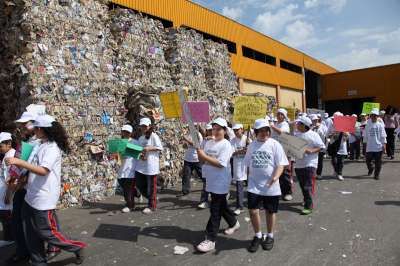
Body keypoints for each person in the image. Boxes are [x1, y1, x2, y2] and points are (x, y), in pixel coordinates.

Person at [5, 115, 86, 266]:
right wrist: (19, 177)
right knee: (30, 233)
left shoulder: (52, 148)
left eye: (35, 128)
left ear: (42, 129)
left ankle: (76, 247)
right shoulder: (40, 144)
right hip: (31, 195)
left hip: (44, 198)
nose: (33, 130)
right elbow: (30, 165)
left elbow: (43, 170)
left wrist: (18, 161)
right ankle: (38, 261)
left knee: (46, 232)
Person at [244, 119, 288, 252]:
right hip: (254, 185)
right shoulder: (251, 146)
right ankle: (258, 235)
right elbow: (247, 164)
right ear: (256, 132)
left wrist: (275, 177)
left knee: (270, 211)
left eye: (266, 130)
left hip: (271, 186)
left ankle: (270, 235)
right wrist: (248, 179)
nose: (264, 133)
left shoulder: (275, 144)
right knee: (253, 211)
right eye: (261, 131)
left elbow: (281, 164)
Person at [196, 118, 239, 253]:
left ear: (225, 131)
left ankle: (210, 239)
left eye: (219, 129)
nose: (215, 131)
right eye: (213, 128)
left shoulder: (226, 145)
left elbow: (221, 163)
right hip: (210, 179)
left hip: (221, 181)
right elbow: (203, 160)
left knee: (215, 209)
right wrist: (199, 153)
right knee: (221, 206)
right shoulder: (208, 143)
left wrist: (204, 155)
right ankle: (233, 222)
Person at [294, 116, 325, 215]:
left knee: (307, 185)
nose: (297, 125)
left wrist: (311, 151)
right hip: (298, 164)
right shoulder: (296, 134)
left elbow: (321, 147)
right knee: (303, 185)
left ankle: (309, 206)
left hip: (310, 163)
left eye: (299, 123)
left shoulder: (313, 135)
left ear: (304, 125)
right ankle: (306, 199)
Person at [135, 118, 163, 214]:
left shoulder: (154, 136)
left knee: (151, 186)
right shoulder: (141, 138)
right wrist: (141, 155)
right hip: (141, 165)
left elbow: (159, 148)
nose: (143, 128)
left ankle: (152, 205)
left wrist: (149, 148)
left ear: (149, 126)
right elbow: (139, 150)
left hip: (151, 166)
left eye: (145, 126)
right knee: (139, 183)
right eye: (142, 126)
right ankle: (152, 198)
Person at [270, 108, 293, 201]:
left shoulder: (285, 124)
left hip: (284, 151)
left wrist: (272, 126)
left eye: (281, 114)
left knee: (285, 173)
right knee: (276, 172)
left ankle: (287, 192)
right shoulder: (276, 124)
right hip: (275, 151)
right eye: (278, 114)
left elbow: (282, 133)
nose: (279, 116)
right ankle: (278, 191)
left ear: (284, 116)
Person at [117, 125, 140, 213]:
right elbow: (119, 155)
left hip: (131, 168)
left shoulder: (135, 142)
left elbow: (138, 154)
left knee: (127, 188)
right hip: (123, 167)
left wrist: (128, 150)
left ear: (131, 133)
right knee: (122, 183)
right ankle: (136, 193)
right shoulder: (120, 142)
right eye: (124, 131)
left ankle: (130, 205)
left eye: (128, 132)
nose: (126, 133)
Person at [177, 127, 203, 199]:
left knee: (202, 175)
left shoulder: (198, 134)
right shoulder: (189, 134)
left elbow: (196, 145)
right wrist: (184, 143)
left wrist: (186, 140)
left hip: (196, 159)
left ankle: (209, 188)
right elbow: (186, 146)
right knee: (186, 175)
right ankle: (185, 191)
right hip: (188, 158)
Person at [0, 132, 15, 246]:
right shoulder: (7, 155)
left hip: (7, 191)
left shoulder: (11, 156)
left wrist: (8, 193)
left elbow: (12, 177)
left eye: (1, 146)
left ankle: (9, 238)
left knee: (6, 215)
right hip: (3, 191)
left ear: (9, 144)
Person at [230, 124, 249, 215]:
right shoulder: (232, 141)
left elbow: (253, 151)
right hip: (238, 166)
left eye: (238, 130)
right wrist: (240, 151)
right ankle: (239, 206)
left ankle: (257, 202)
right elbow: (231, 154)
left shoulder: (247, 139)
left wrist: (249, 147)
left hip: (248, 166)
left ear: (242, 129)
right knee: (239, 186)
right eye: (234, 130)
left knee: (252, 186)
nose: (236, 132)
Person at [364, 108, 387, 180]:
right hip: (370, 147)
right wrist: (365, 144)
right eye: (372, 115)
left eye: (375, 115)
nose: (374, 117)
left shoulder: (380, 125)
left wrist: (384, 146)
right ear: (370, 116)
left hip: (378, 147)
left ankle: (376, 175)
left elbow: (383, 136)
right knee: (368, 161)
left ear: (377, 116)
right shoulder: (367, 124)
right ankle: (371, 168)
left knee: (378, 162)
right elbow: (365, 135)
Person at [197, 124, 213, 209]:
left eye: (211, 130)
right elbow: (201, 152)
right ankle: (204, 201)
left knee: (215, 184)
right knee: (205, 184)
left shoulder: (218, 140)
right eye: (208, 130)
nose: (210, 132)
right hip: (206, 166)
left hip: (215, 167)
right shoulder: (204, 141)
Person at [310, 114, 327, 180]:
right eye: (314, 120)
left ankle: (319, 174)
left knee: (320, 161)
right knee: (312, 161)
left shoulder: (322, 126)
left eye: (316, 119)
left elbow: (325, 135)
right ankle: (312, 173)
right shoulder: (309, 127)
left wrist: (319, 128)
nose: (315, 121)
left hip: (320, 146)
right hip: (312, 146)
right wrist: (313, 128)